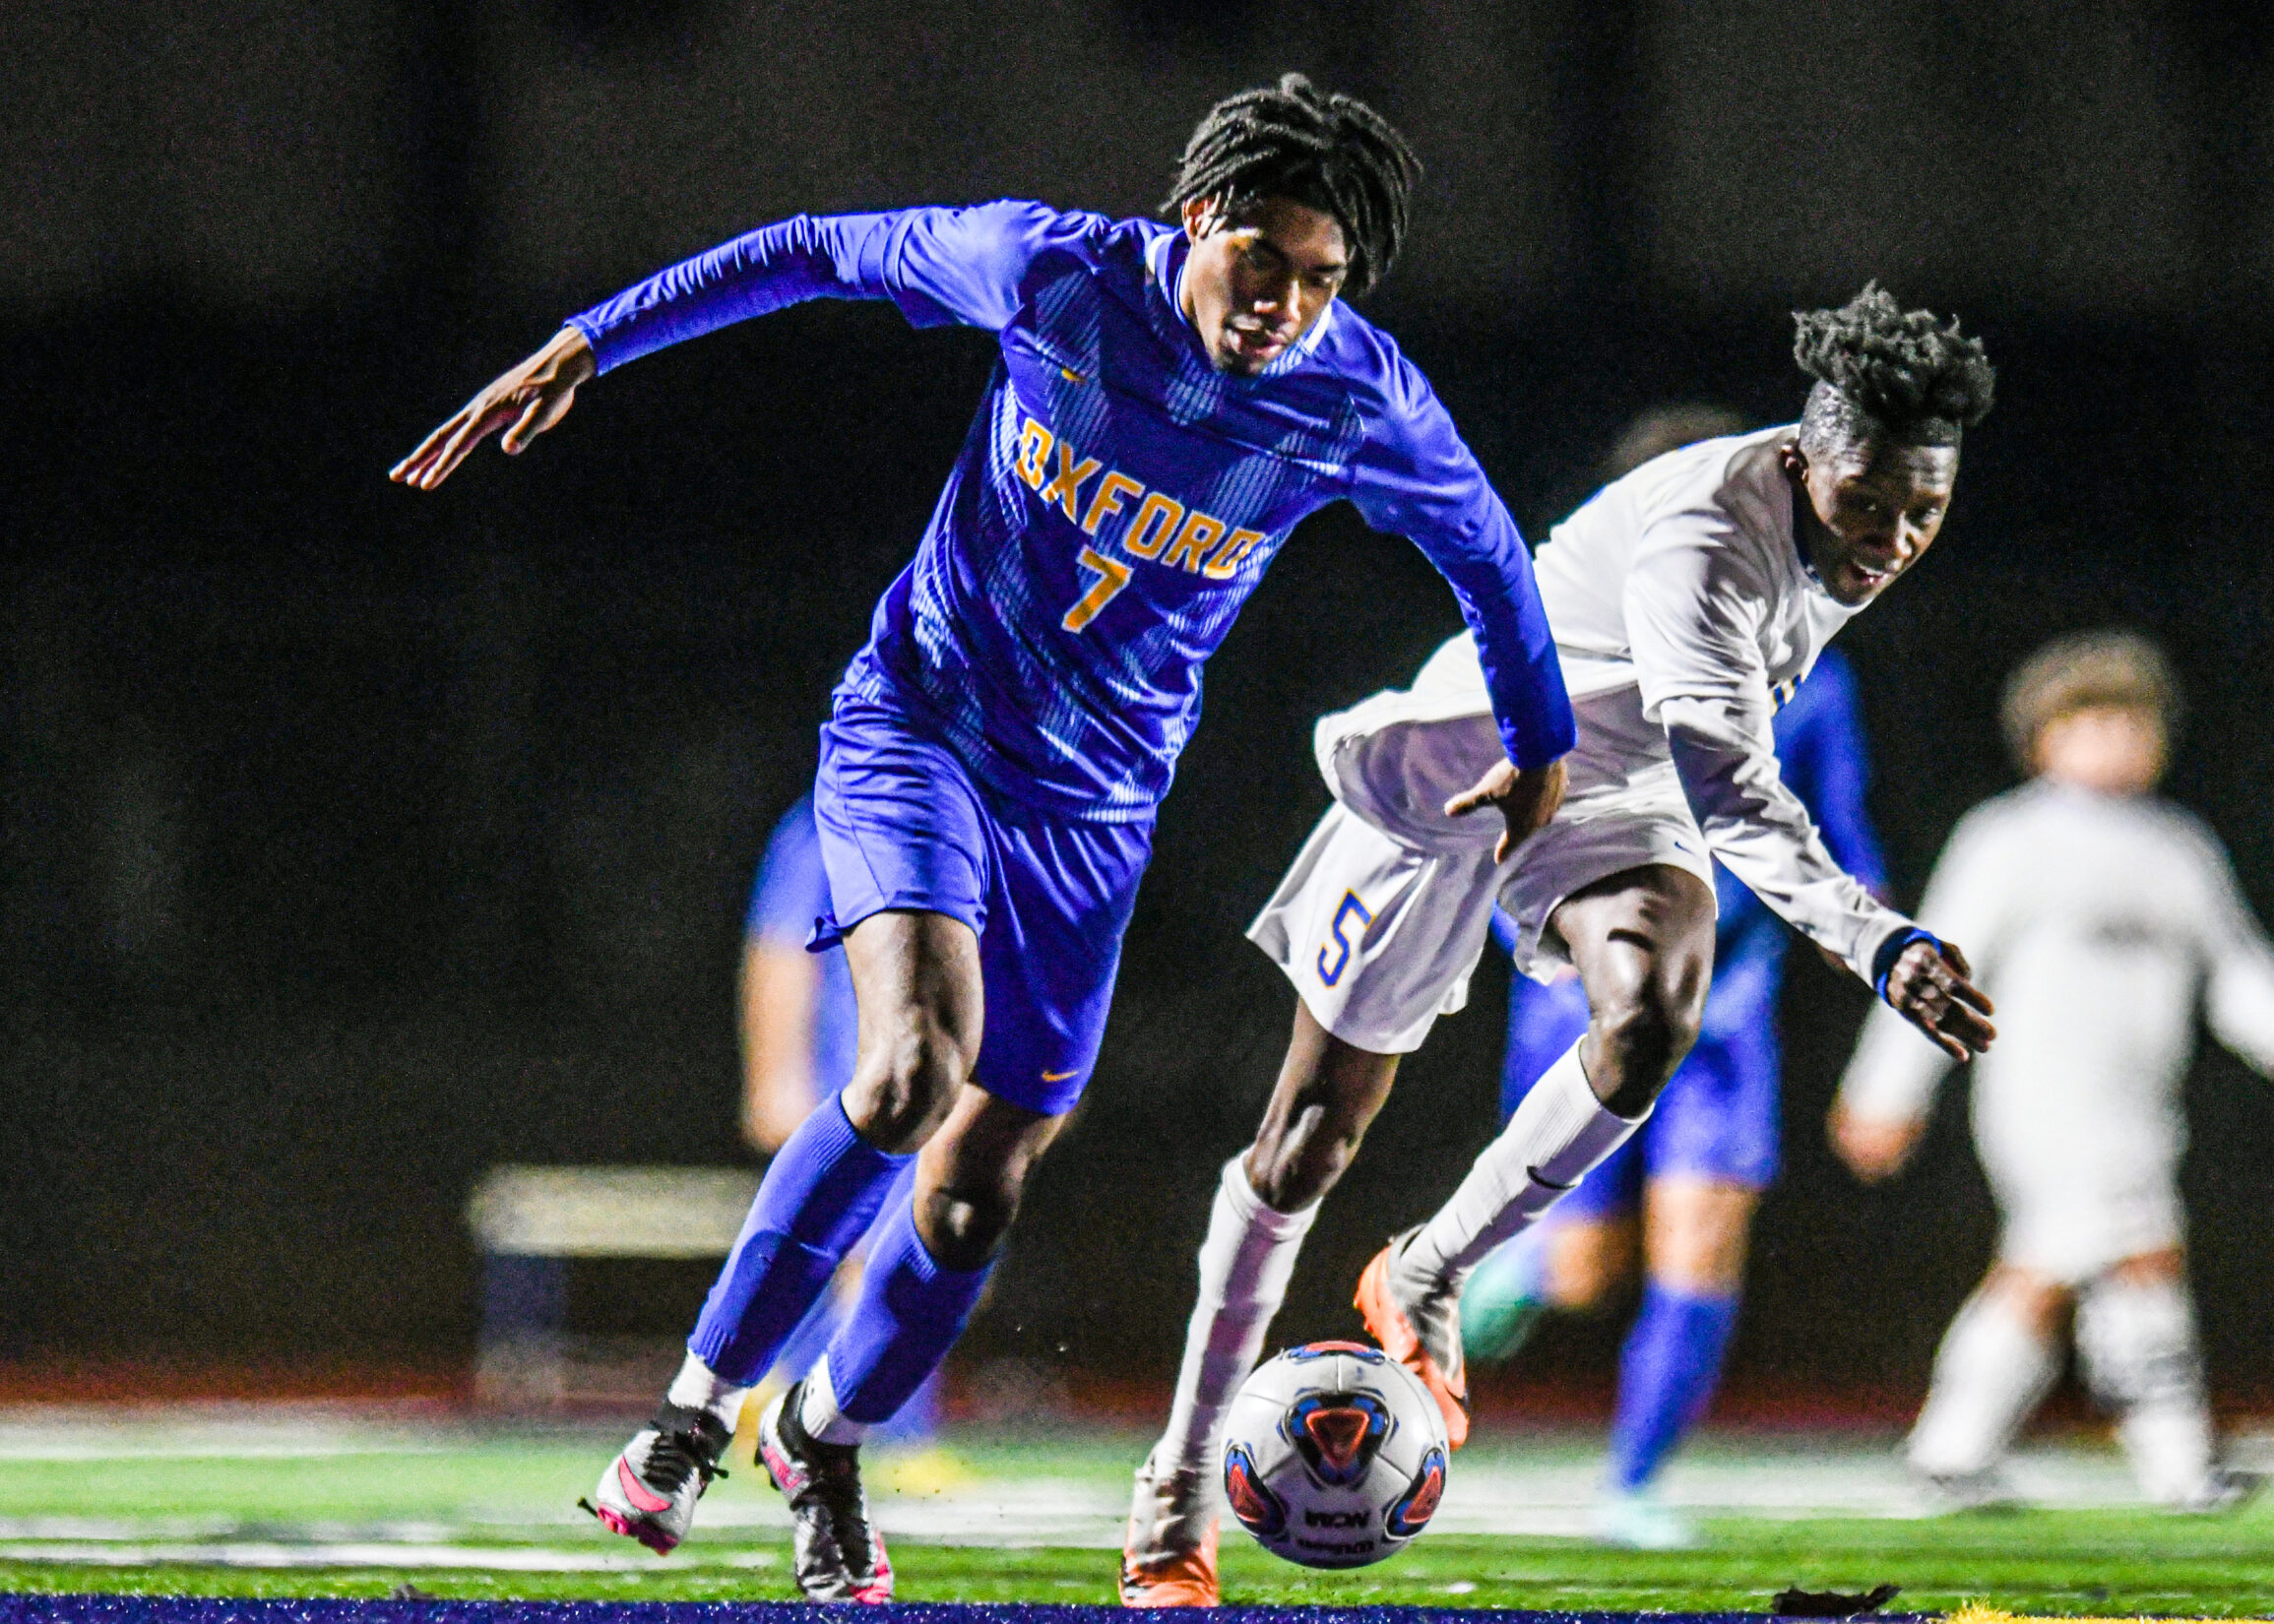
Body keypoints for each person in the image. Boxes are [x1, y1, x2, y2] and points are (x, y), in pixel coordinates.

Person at [391, 73, 1579, 1603]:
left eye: (1322, 278)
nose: (1286, 303)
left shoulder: (1358, 396)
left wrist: (1543, 746)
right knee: (905, 1075)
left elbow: (1488, 555)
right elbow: (816, 245)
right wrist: (589, 342)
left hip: (1095, 811)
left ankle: (824, 1436)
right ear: (1196, 218)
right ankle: (693, 1410)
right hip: (921, 729)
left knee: (978, 1184)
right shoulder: (1054, 272)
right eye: (1264, 261)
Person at [1122, 285, 1998, 1606]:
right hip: (1471, 762)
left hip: (1616, 789)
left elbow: (1701, 770)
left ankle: (1428, 1266)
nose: (1885, 538)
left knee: (1652, 1009)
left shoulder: (1844, 506)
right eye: (1865, 503)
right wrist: (1879, 943)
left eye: (1918, 512)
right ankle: (1177, 1485)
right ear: (1800, 456)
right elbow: (1733, 789)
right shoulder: (1709, 534)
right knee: (1308, 1134)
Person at [1830, 631, 2274, 1513]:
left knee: (2071, 1269)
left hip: (2140, 1104)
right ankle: (2174, 1466)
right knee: (2130, 1254)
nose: (2117, 737)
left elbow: (2232, 964)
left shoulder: (2176, 847)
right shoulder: (2008, 837)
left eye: (2134, 720)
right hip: (2039, 1097)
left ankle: (1955, 1455)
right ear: (2043, 736)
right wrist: (1883, 1093)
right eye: (2093, 719)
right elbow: (1937, 970)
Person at [1460, 649, 1886, 1549]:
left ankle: (1634, 1484)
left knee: (1703, 1245)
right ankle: (1531, 1266)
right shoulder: (1595, 645)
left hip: (1722, 1016)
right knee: (1581, 1275)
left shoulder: (1820, 678)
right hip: (1580, 1008)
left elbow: (1839, 822)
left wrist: (1868, 927)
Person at [739, 796, 947, 1469]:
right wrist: (775, 1073)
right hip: (856, 1074)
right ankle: (881, 1433)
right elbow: (781, 944)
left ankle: (782, 1403)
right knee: (874, 1250)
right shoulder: (836, 815)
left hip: (939, 1074)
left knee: (937, 1247)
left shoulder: (976, 815)